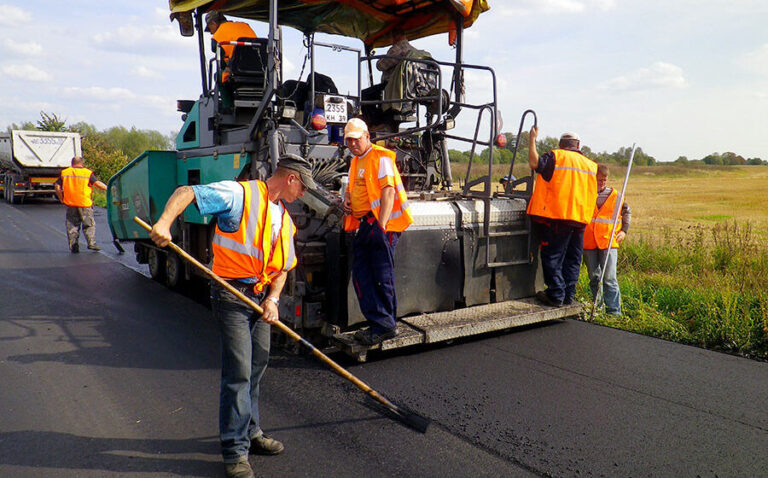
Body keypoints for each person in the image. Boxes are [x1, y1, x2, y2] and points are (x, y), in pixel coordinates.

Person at [149, 155, 315, 478]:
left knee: (257, 365)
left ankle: (251, 432)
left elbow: (283, 266)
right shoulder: (240, 195)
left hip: (259, 299)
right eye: (303, 187)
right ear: (291, 179)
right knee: (238, 372)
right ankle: (235, 450)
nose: (304, 195)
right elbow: (187, 192)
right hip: (230, 295)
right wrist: (164, 222)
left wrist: (274, 299)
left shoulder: (283, 217)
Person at [342, 118, 413, 345]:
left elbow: (388, 192)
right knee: (362, 277)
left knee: (381, 276)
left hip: (381, 226)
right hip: (365, 224)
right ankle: (378, 322)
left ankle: (385, 325)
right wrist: (348, 201)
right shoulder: (356, 161)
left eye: (356, 139)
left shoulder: (380, 157)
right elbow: (359, 189)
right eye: (349, 140)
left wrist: (381, 226)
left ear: (367, 137)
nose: (352, 144)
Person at [527, 128, 597, 307]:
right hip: (580, 219)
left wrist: (532, 139)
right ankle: (568, 296)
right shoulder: (590, 164)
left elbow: (534, 163)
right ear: (578, 145)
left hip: (558, 217)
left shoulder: (555, 157)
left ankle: (556, 294)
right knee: (573, 259)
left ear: (560, 145)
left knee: (553, 256)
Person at [583, 164, 631, 315]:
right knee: (594, 277)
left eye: (604, 180)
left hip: (608, 242)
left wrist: (624, 231)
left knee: (609, 278)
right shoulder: (585, 194)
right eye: (599, 180)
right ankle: (597, 308)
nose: (602, 183)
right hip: (589, 242)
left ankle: (614, 312)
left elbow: (626, 212)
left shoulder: (616, 196)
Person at [55, 156, 107, 253]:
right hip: (84, 203)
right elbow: (97, 183)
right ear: (82, 163)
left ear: (72, 163)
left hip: (70, 203)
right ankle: (91, 243)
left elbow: (57, 186)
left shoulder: (65, 173)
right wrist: (108, 188)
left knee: (72, 225)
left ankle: (74, 245)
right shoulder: (87, 173)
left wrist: (61, 198)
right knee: (89, 224)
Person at [205, 11, 258, 82]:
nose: (211, 33)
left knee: (218, 76)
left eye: (210, 28)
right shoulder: (245, 26)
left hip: (237, 72)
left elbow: (222, 64)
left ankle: (226, 93)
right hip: (258, 70)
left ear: (213, 23)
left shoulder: (217, 37)